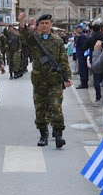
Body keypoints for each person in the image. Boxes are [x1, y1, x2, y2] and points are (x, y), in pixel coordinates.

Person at [18, 13, 72, 148]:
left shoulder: (58, 40)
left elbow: (63, 60)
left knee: (56, 107)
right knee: (40, 108)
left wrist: (67, 77)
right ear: (38, 26)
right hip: (39, 80)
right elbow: (24, 34)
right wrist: (21, 21)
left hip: (54, 80)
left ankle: (59, 135)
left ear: (51, 25)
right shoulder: (35, 40)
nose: (44, 26)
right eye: (42, 23)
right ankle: (43, 135)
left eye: (47, 23)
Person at [86, 22, 103, 101]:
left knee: (96, 78)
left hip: (94, 58)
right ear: (100, 29)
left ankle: (98, 96)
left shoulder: (90, 38)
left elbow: (84, 47)